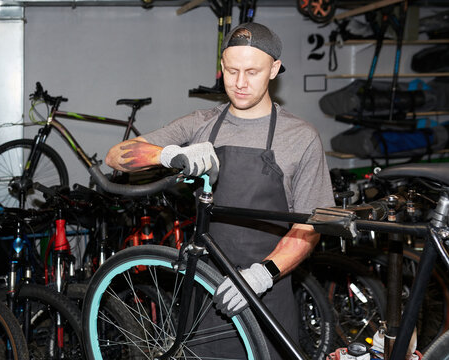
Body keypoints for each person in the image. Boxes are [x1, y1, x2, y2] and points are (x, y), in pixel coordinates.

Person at [105, 22, 335, 359]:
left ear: (274, 69)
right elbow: (116, 157)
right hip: (206, 290)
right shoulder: (201, 123)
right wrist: (169, 154)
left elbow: (309, 226)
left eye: (252, 72)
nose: (240, 83)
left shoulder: (300, 137)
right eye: (231, 71)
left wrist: (262, 275)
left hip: (266, 291)